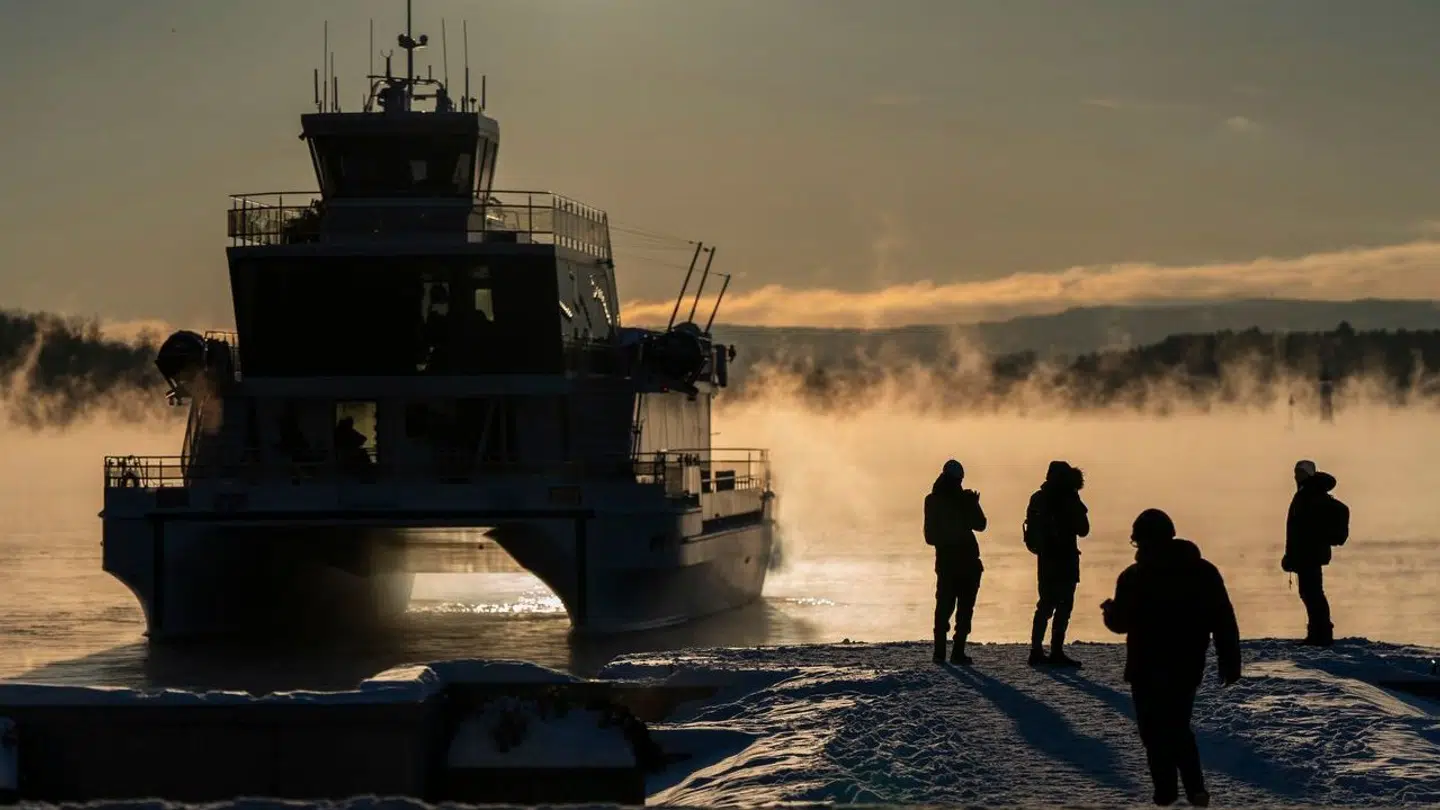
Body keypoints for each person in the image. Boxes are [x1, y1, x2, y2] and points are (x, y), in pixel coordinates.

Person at [1102, 509, 1242, 809]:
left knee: (1153, 731)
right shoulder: (1203, 571)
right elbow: (1223, 619)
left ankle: (1166, 792)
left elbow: (1121, 624)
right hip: (1186, 664)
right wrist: (1230, 661)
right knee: (1177, 726)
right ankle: (1194, 790)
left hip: (1145, 666)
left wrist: (1109, 611)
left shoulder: (1134, 576)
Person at [1025, 460, 1090, 667]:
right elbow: (1084, 529)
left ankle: (1037, 651)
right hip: (1065, 558)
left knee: (1046, 605)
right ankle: (1055, 651)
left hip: (1046, 559)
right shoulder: (1069, 498)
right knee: (1063, 606)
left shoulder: (1038, 498)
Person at [924, 459, 988, 665]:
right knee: (960, 609)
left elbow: (931, 537)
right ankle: (953, 652)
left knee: (947, 608)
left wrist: (971, 505)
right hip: (961, 562)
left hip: (951, 563)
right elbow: (981, 524)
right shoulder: (958, 499)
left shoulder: (934, 500)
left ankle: (943, 653)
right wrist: (972, 505)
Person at [1283, 460, 1346, 646]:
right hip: (1308, 553)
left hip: (1310, 554)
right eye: (1296, 472)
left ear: (1310, 474)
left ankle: (1321, 634)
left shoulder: (1310, 495)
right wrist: (1291, 555)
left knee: (1312, 594)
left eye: (1301, 472)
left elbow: (1303, 529)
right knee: (1310, 593)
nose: (1297, 476)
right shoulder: (1307, 494)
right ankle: (1318, 633)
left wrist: (1294, 553)